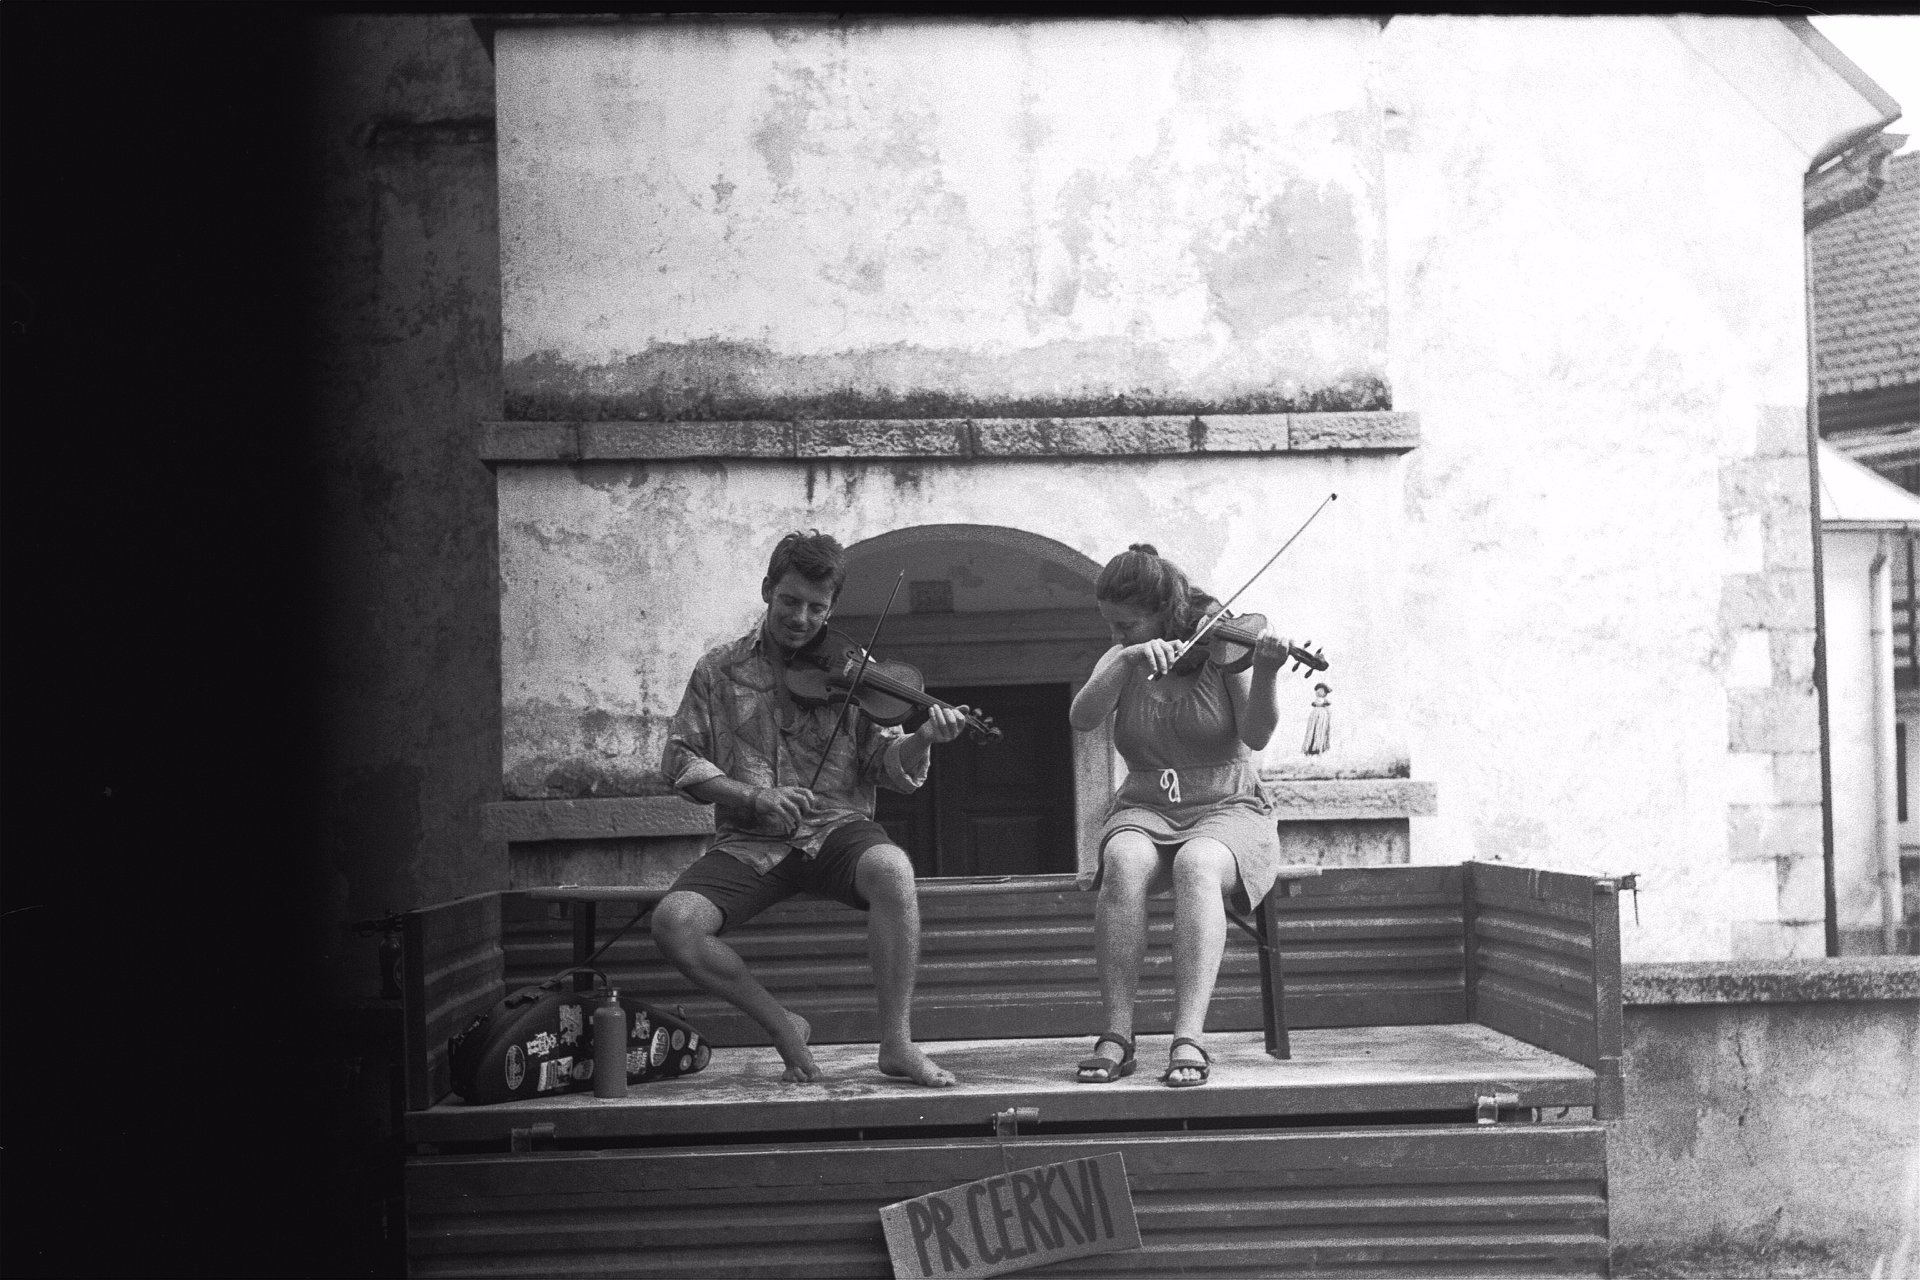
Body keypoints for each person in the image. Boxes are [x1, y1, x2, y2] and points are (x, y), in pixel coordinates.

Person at [651, 530, 969, 1087]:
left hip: (837, 830)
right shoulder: (717, 670)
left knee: (894, 868)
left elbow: (883, 764)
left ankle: (896, 1044)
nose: (801, 619)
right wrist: (751, 796)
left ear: (832, 608)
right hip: (750, 842)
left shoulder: (853, 670)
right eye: (789, 602)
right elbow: (680, 760)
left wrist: (923, 740)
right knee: (674, 923)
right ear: (768, 589)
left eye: (817, 609)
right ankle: (781, 1024)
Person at [1069, 543, 1292, 1088]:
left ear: (1162, 613)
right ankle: (1117, 1036)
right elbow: (1082, 718)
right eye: (1111, 627)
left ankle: (1187, 1036)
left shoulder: (1221, 647)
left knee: (1198, 865)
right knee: (1121, 858)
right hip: (1146, 804)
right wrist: (1123, 660)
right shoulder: (1122, 656)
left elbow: (1257, 734)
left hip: (1226, 804)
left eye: (1127, 625)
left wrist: (1265, 672)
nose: (1117, 635)